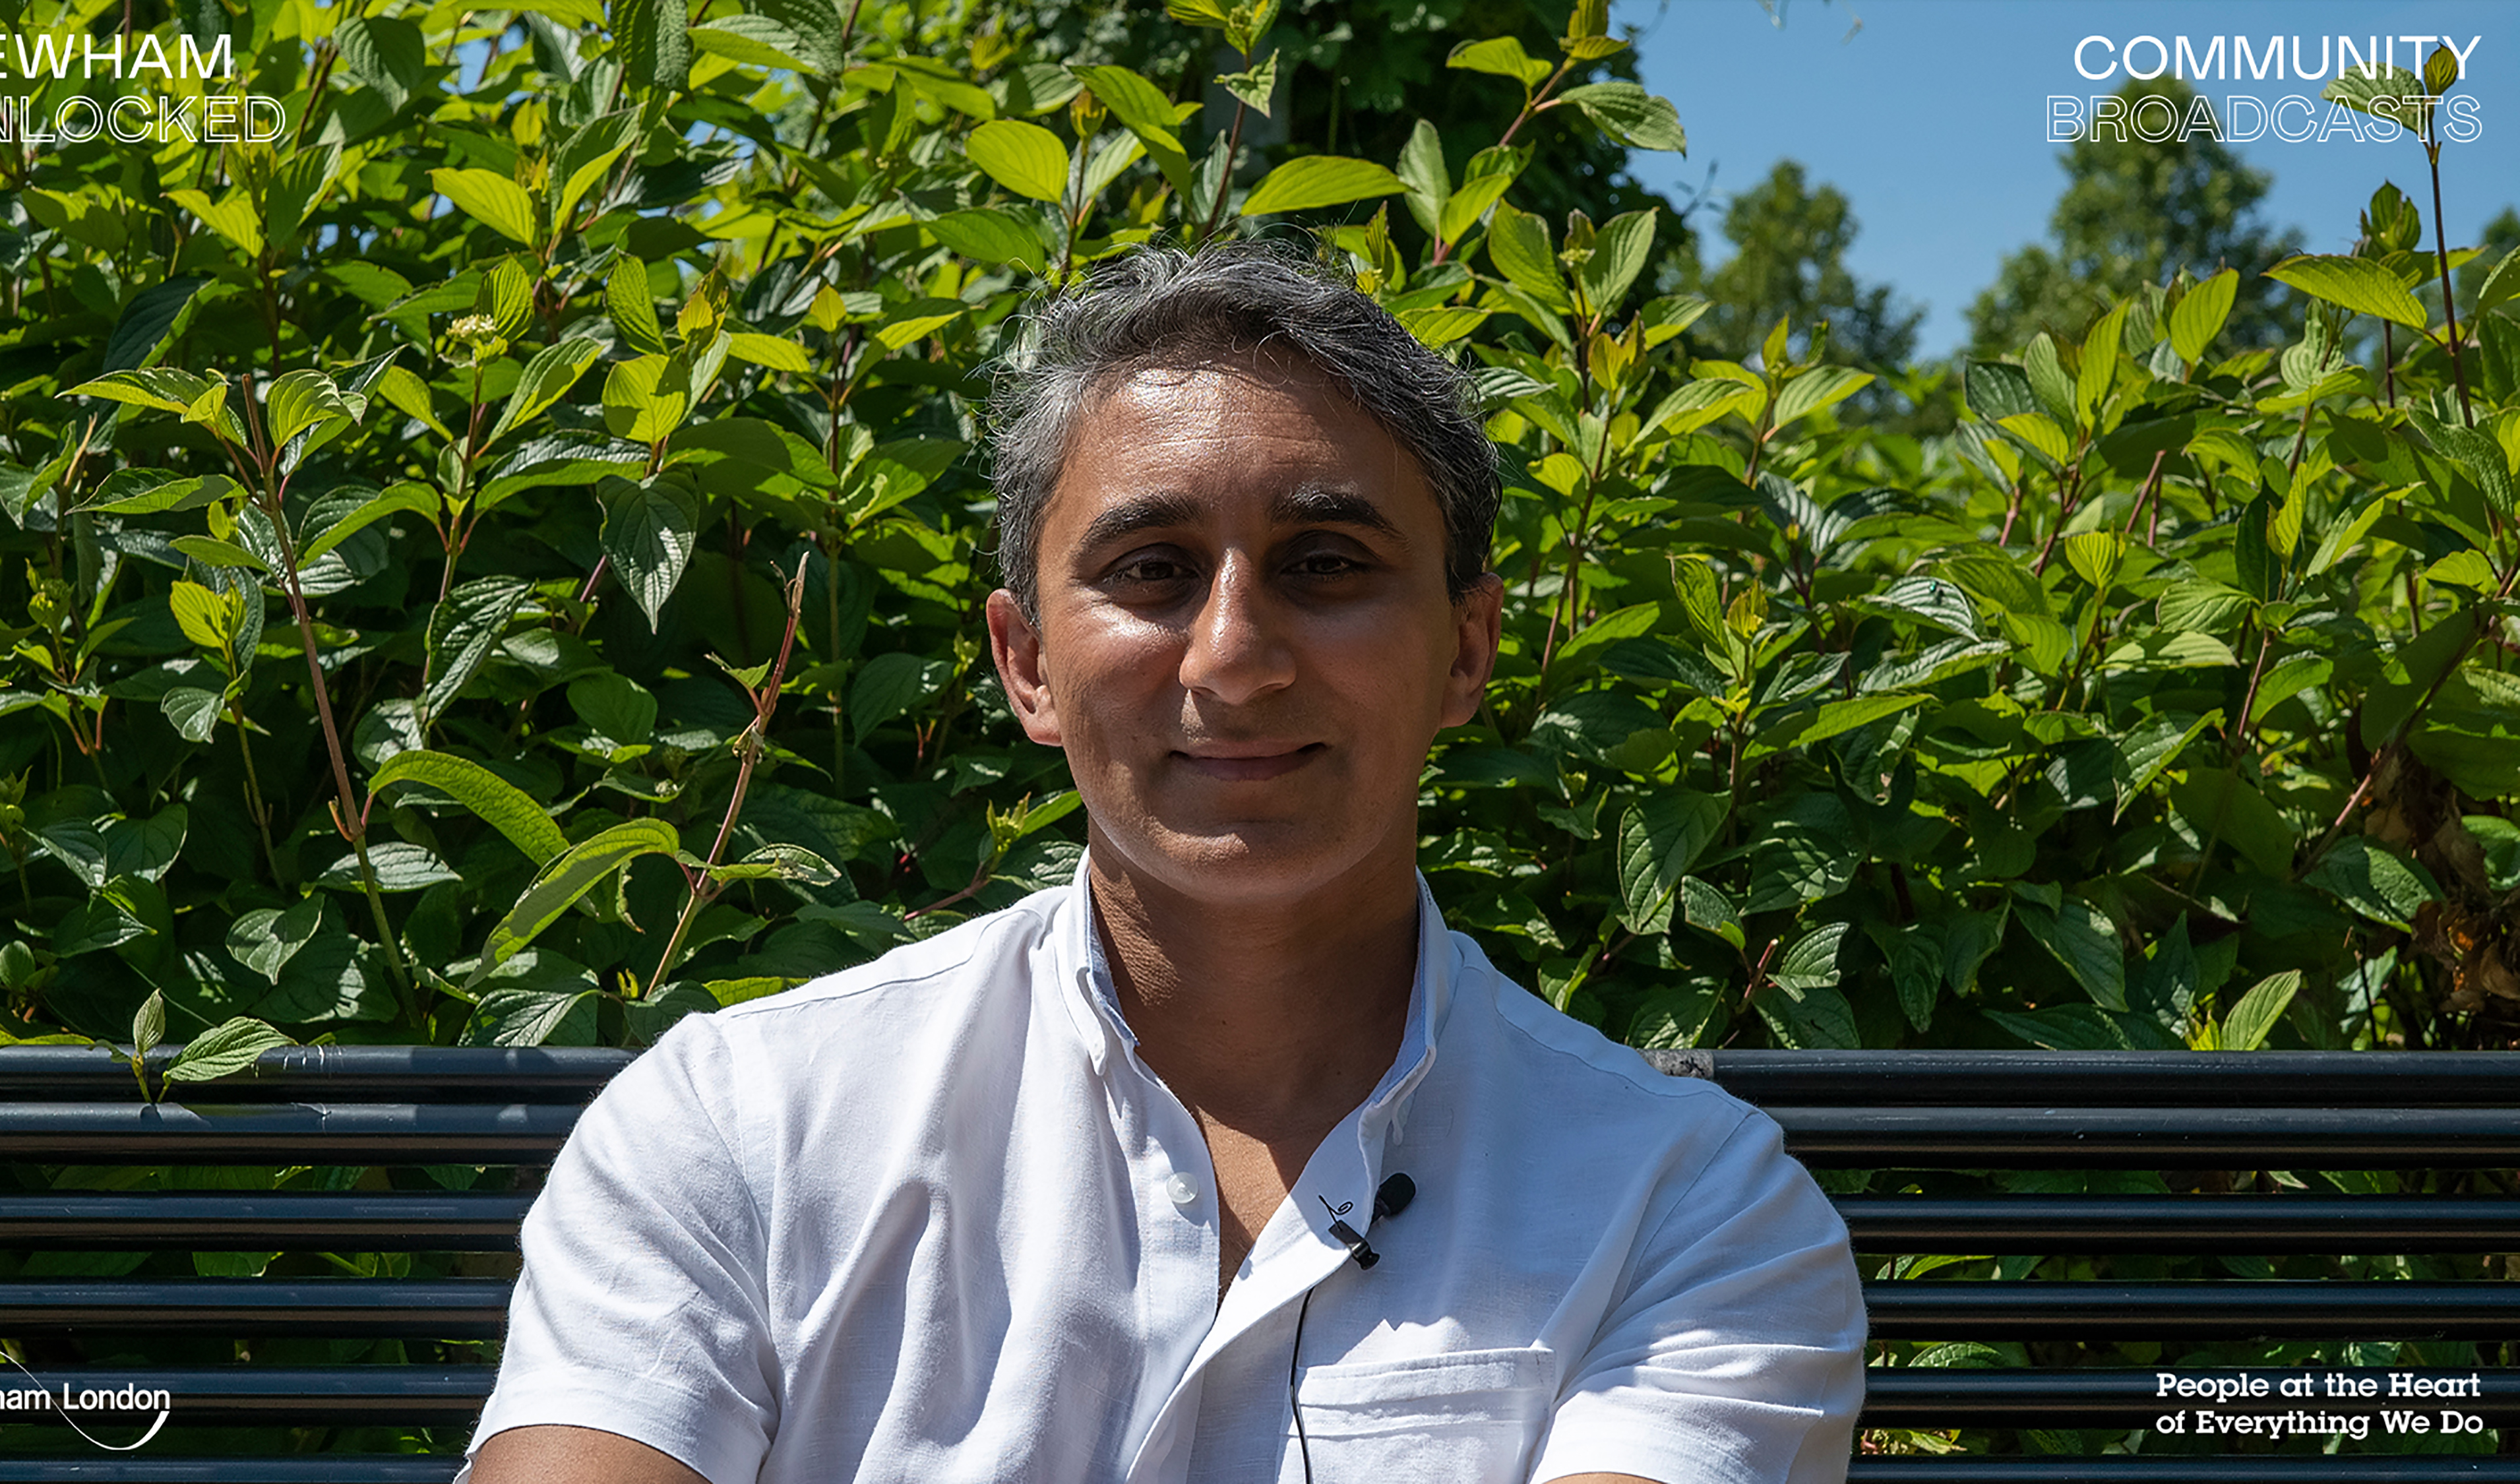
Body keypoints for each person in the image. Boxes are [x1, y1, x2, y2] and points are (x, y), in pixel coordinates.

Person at [465, 243, 1866, 1484]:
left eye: (1325, 563)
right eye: (1149, 569)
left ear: (1466, 648)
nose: (1234, 658)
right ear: (1025, 663)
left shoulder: (1686, 1211)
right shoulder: (741, 1130)